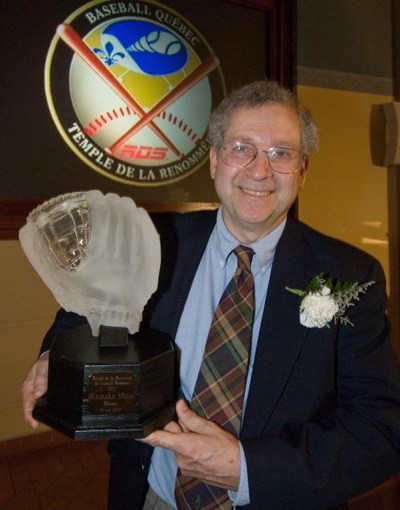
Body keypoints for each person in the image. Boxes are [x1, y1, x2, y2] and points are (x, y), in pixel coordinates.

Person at [22, 80, 400, 510]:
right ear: (215, 161)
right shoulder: (155, 240)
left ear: (302, 171)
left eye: (281, 153)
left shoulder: (350, 276)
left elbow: (380, 430)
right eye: (242, 148)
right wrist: (52, 354)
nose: (259, 170)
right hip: (153, 494)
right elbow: (84, 307)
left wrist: (245, 468)